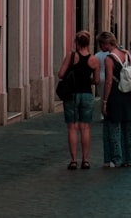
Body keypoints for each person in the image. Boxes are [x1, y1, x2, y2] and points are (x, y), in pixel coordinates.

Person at [56, 30, 100, 170]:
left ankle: (74, 160)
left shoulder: (71, 56)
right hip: (87, 94)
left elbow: (61, 74)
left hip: (71, 95)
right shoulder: (94, 59)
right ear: (88, 43)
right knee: (85, 127)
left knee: (72, 128)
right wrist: (88, 80)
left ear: (76, 42)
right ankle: (86, 160)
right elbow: (97, 80)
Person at [101, 34, 131, 168]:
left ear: (107, 43)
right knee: (127, 128)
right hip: (126, 93)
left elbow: (109, 81)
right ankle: (128, 158)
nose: (100, 47)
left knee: (113, 126)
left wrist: (104, 101)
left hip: (115, 94)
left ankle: (115, 158)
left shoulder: (109, 59)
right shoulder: (127, 54)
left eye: (101, 44)